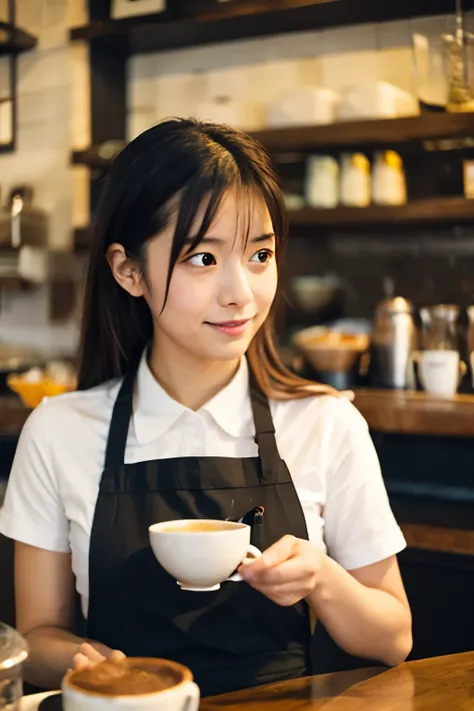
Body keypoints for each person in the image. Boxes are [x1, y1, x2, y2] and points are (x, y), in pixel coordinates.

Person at [0, 119, 412, 697]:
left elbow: (393, 636)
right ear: (128, 270)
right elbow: (37, 633)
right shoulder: (59, 432)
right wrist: (80, 661)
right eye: (203, 258)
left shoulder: (325, 424)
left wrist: (322, 578)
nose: (240, 291)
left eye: (260, 254)